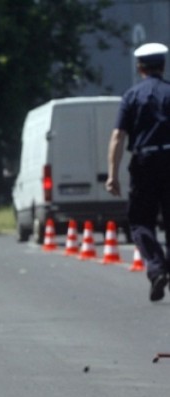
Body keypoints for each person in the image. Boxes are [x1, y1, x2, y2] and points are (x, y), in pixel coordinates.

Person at [106, 42, 170, 302]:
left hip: (144, 163)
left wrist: (112, 173)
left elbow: (118, 136)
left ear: (139, 67)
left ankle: (156, 269)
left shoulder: (131, 96)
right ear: (163, 65)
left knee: (141, 220)